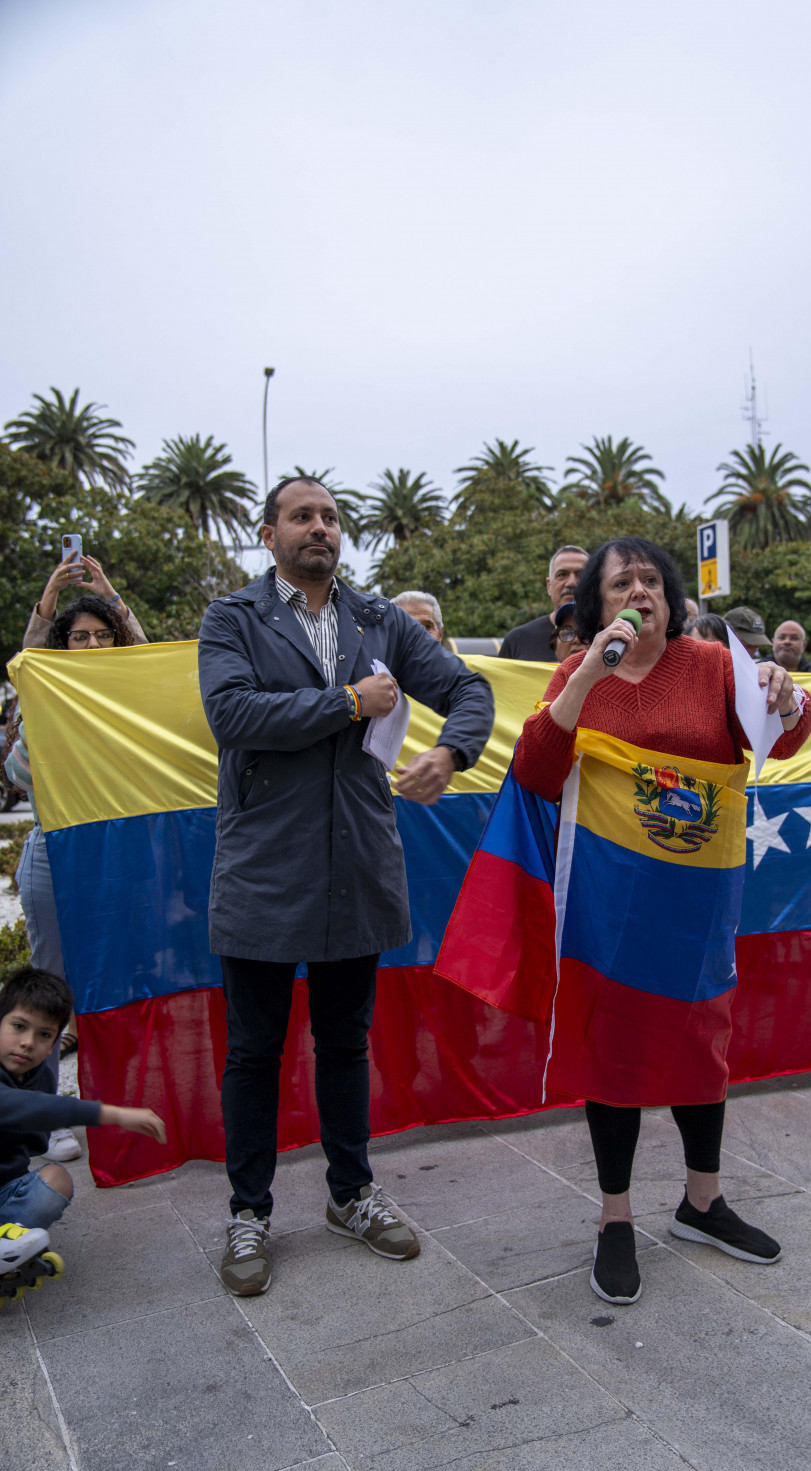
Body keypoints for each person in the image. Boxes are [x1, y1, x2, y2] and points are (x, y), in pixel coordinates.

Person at [197, 475, 494, 1298]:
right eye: (302, 516)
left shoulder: (382, 620)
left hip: (356, 867)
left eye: (330, 515)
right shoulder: (232, 618)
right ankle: (249, 1211)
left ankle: (351, 1194)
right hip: (263, 870)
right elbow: (234, 716)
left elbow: (469, 688)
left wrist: (453, 751)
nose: (319, 527)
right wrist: (345, 701)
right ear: (269, 535)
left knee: (345, 1043)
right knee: (253, 1051)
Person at [512, 536, 811, 1305]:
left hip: (697, 899)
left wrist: (789, 695)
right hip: (610, 907)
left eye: (652, 580)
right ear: (596, 604)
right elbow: (537, 771)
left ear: (673, 598)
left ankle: (701, 1202)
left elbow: (783, 736)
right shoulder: (581, 671)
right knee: (613, 1047)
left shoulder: (713, 664)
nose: (639, 592)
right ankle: (616, 1218)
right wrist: (587, 674)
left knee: (700, 1037)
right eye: (622, 584)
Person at [3, 583, 143, 1163]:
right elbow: (18, 772)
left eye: (101, 635)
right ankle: (50, 1120)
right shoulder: (44, 698)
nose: (89, 644)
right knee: (47, 994)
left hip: (117, 861)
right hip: (53, 857)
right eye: (78, 636)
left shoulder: (126, 700)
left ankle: (122, 1101)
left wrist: (115, 600)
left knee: (124, 984)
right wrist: (45, 604)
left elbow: (148, 659)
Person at [0, 966, 165, 1231]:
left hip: (6, 1191)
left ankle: (9, 1244)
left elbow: (36, 1143)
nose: (28, 1042)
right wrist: (116, 1115)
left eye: (43, 1034)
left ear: (54, 1044)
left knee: (56, 1179)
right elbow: (25, 1107)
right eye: (19, 1027)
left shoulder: (40, 1078)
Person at [498, 546, 589, 661]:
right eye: (562, 574)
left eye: (580, 575)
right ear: (549, 586)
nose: (571, 583)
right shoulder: (517, 640)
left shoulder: (612, 639)